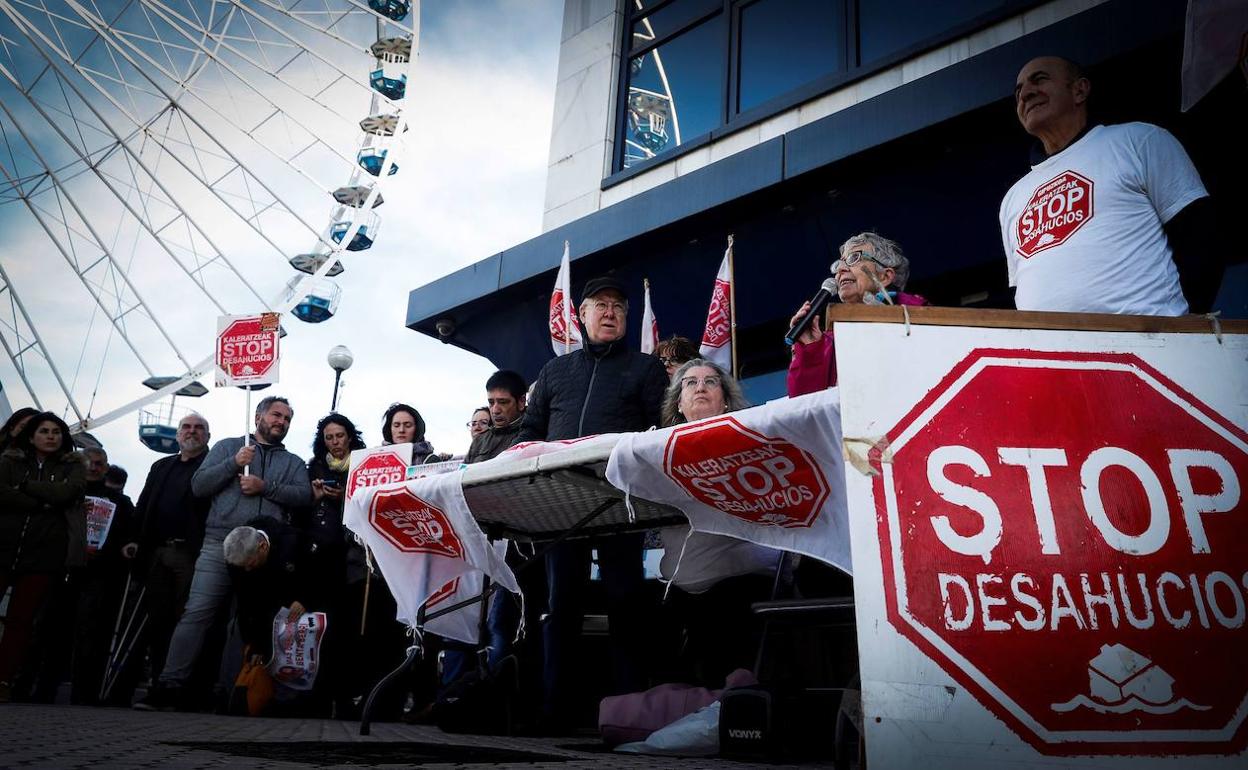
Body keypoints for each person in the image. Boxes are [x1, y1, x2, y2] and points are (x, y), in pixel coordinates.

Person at [520, 275, 669, 728]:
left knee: (626, 602)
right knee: (561, 605)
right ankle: (555, 710)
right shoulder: (554, 372)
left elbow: (657, 433)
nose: (610, 313)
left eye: (619, 308)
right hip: (562, 504)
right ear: (580, 315)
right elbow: (530, 433)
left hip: (619, 503)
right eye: (600, 305)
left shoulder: (646, 369)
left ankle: (629, 710)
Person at [1000, 56, 1222, 315]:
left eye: (1040, 80)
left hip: (1151, 343)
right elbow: (1022, 289)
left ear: (1079, 90)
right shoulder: (1013, 198)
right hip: (1050, 352)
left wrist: (1184, 329)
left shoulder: (1139, 141)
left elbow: (1201, 236)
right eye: (1018, 91)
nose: (1025, 93)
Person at [135, 396, 311, 711]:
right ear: (259, 415)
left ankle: (230, 691)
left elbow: (303, 497)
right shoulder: (229, 447)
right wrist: (233, 463)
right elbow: (199, 485)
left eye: (286, 419)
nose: (280, 422)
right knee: (198, 614)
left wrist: (264, 487)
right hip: (220, 544)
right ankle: (169, 685)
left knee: (242, 623)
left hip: (261, 552)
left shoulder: (294, 463)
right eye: (276, 415)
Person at [659, 360, 785, 686]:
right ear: (678, 403)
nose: (700, 387)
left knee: (721, 617)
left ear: (725, 399)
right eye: (690, 383)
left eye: (710, 382)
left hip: (741, 582)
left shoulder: (751, 442)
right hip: (679, 590)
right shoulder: (655, 452)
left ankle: (728, 710)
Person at [120, 414, 212, 701]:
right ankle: (159, 681)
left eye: (199, 428)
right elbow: (145, 502)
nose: (192, 432)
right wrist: (134, 539)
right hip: (157, 551)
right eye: (187, 427)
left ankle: (182, 688)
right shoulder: (161, 466)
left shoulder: (212, 466)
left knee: (186, 618)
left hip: (191, 552)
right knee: (157, 619)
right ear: (178, 435)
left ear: (208, 436)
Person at [0, 412, 86, 702]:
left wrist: (23, 488)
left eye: (56, 432)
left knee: (21, 621)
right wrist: (44, 502)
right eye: (44, 431)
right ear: (32, 436)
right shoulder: (9, 461)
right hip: (4, 546)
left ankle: (3, 680)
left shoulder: (73, 467)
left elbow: (66, 495)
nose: (50, 436)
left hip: (44, 554)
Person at [787, 232, 928, 396]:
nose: (841, 269)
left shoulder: (919, 315)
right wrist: (811, 349)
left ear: (885, 276)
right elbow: (805, 406)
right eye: (839, 263)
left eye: (854, 258)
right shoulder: (828, 343)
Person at [303, 413, 369, 716]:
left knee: (349, 631)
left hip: (353, 560)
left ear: (350, 436)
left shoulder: (363, 464)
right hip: (322, 559)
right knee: (322, 630)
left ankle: (344, 698)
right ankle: (317, 697)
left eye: (339, 436)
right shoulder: (314, 467)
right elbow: (302, 512)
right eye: (329, 437)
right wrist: (315, 498)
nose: (335, 442)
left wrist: (344, 497)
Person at [65, 447, 136, 704]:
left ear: (105, 467)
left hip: (101, 571)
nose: (93, 468)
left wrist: (127, 546)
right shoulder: (67, 493)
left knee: (91, 631)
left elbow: (130, 533)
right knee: (53, 627)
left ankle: (84, 692)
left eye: (98, 464)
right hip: (63, 567)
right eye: (88, 463)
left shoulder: (121, 503)